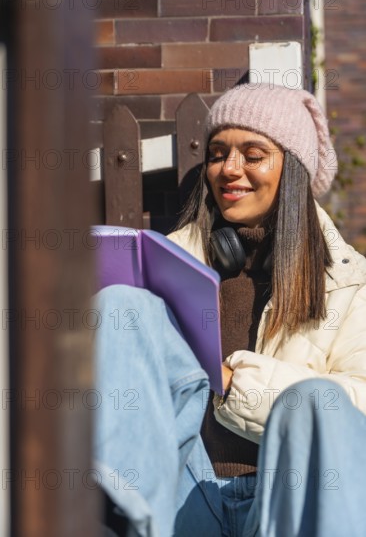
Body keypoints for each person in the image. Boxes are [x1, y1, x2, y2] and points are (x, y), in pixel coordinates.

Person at [93, 84, 366, 537]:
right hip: (186, 495)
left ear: (291, 170)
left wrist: (234, 381)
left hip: (284, 502)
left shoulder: (350, 281)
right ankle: (118, 517)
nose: (229, 170)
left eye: (253, 154)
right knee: (121, 305)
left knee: (320, 401)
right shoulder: (166, 262)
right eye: (218, 154)